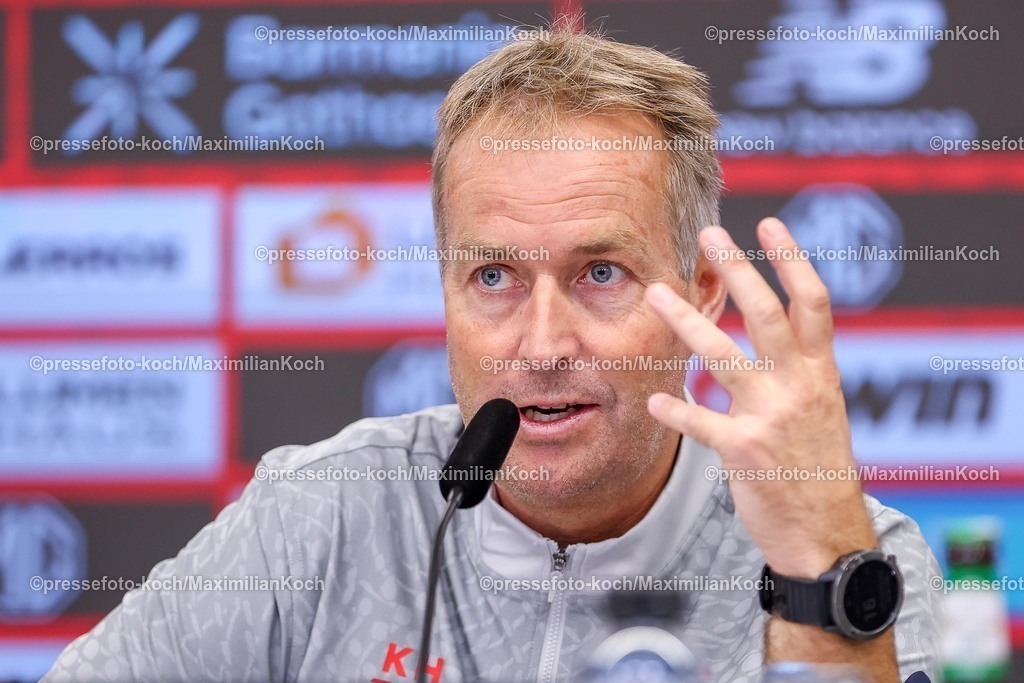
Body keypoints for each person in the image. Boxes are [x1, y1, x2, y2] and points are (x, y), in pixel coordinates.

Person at [45, 27, 941, 683]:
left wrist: (817, 575)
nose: (542, 345)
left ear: (703, 290)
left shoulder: (858, 558)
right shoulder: (321, 514)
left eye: (600, 271)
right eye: (494, 276)